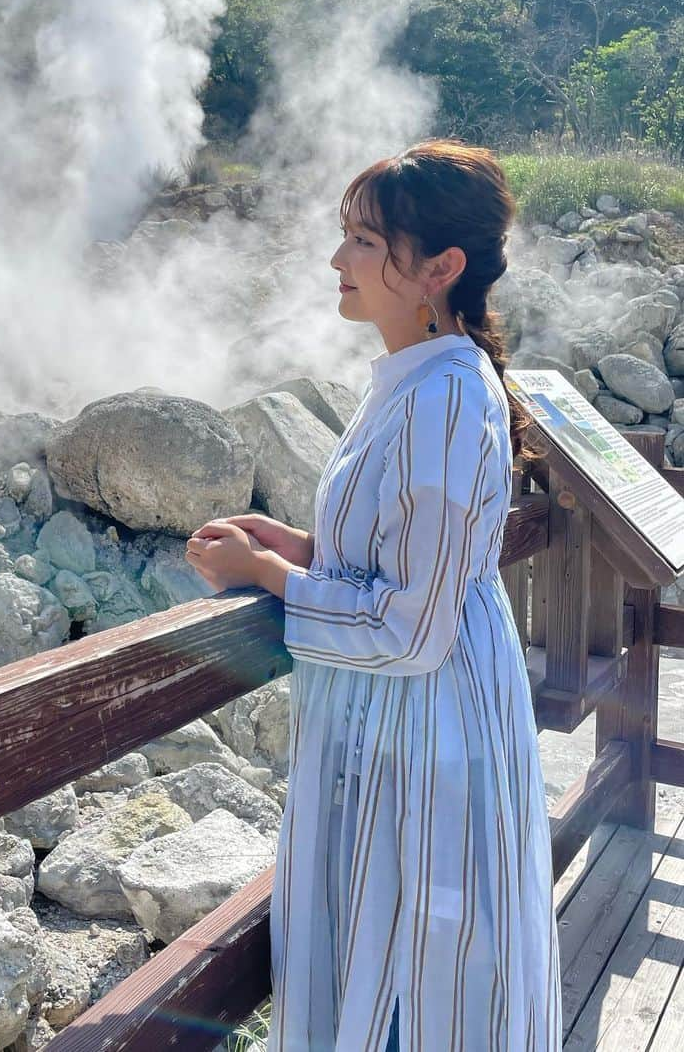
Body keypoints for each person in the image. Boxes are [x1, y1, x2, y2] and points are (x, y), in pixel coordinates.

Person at [185, 141, 562, 1051]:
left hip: (426, 740)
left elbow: (411, 629)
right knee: (402, 960)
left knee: (418, 969)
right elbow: (413, 555)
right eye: (346, 236)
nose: (338, 261)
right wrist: (310, 548)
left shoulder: (441, 396)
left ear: (441, 268)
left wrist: (272, 579)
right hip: (405, 734)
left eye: (363, 240)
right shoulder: (420, 377)